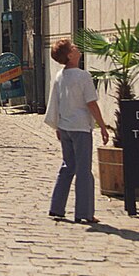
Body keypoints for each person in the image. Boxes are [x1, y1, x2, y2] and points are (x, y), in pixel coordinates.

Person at [44, 37, 109, 225]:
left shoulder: (59, 76)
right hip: (80, 127)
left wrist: (56, 125)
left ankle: (57, 207)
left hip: (65, 127)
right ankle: (84, 212)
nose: (77, 47)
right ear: (70, 55)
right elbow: (91, 103)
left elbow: (55, 102)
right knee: (83, 170)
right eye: (73, 46)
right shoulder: (83, 76)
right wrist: (102, 126)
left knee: (67, 166)